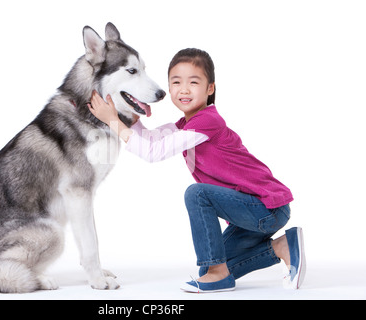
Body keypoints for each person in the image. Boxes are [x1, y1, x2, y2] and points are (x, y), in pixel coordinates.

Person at [88, 48, 306, 293]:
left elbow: (152, 153)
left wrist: (113, 122)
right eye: (176, 82)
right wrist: (128, 117)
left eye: (194, 82)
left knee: (197, 194)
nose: (184, 89)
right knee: (211, 267)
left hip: (267, 208)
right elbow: (150, 141)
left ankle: (218, 273)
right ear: (169, 89)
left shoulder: (207, 122)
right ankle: (282, 247)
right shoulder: (185, 126)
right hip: (252, 214)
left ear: (210, 88)